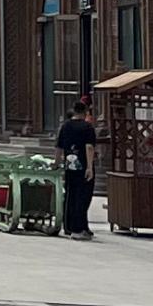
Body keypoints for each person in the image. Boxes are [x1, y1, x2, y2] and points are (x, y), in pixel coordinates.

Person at [55, 102, 99, 239]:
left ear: (73, 111)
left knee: (70, 195)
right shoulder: (87, 127)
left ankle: (69, 226)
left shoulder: (65, 126)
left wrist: (57, 162)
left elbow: (59, 147)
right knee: (83, 196)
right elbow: (89, 147)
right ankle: (78, 228)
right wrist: (90, 167)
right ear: (85, 112)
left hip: (70, 165)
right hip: (84, 166)